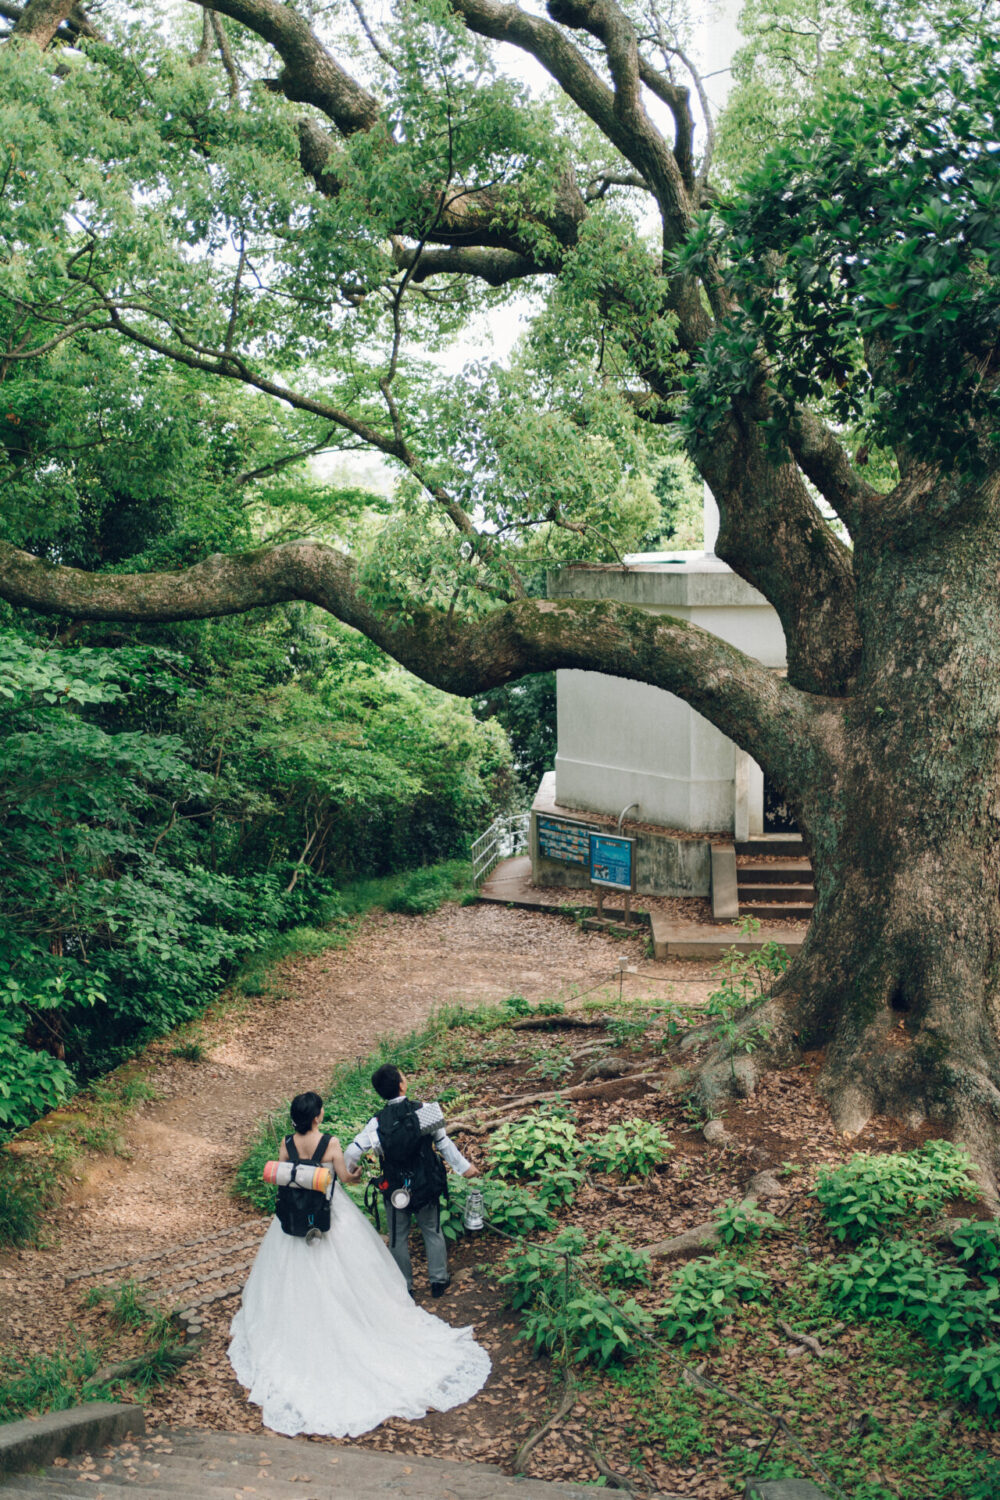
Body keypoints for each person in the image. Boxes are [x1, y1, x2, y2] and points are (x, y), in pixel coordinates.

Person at [228, 1090, 490, 1437]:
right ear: (317, 1117)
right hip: (329, 1214)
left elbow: (287, 1176)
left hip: (293, 1221)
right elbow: (345, 1175)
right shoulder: (332, 1141)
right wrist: (353, 1175)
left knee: (291, 1274)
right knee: (360, 1268)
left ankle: (303, 1317)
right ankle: (397, 1295)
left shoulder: (286, 1144)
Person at [345, 1064, 478, 1298]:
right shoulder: (424, 1110)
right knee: (432, 1230)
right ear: (401, 1085)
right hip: (426, 1182)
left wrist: (350, 1172)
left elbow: (352, 1152)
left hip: (395, 1186)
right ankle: (438, 1280)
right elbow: (443, 1143)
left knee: (398, 1236)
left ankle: (405, 1286)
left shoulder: (377, 1122)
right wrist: (464, 1168)